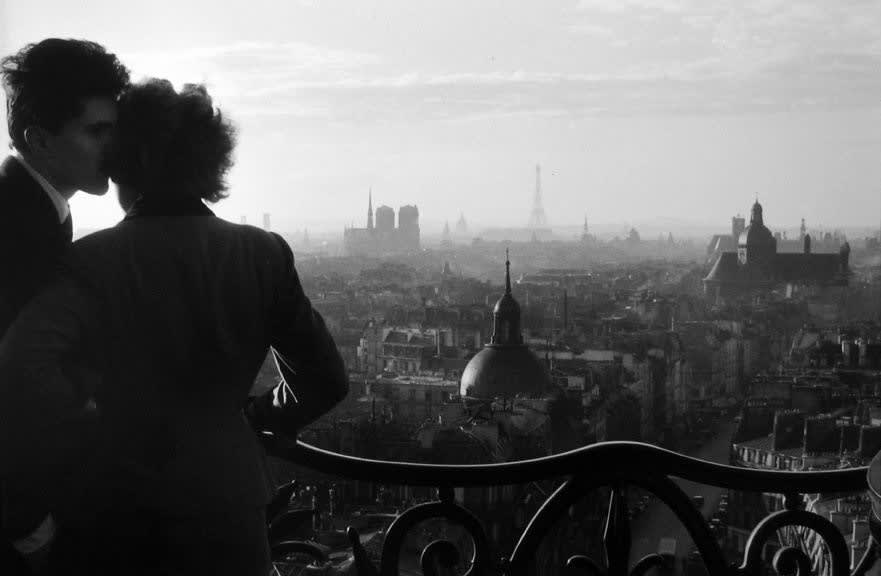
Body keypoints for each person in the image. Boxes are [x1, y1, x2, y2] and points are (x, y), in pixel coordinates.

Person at [0, 79, 349, 575]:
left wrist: (86, 417)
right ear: (209, 165)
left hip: (114, 510)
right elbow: (325, 381)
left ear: (124, 165)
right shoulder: (262, 254)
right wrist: (253, 414)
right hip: (228, 506)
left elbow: (21, 365)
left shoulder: (89, 262)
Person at [0, 38, 129, 572]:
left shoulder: (35, 208)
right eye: (97, 131)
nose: (115, 148)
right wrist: (28, 523)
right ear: (40, 138)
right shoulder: (17, 225)